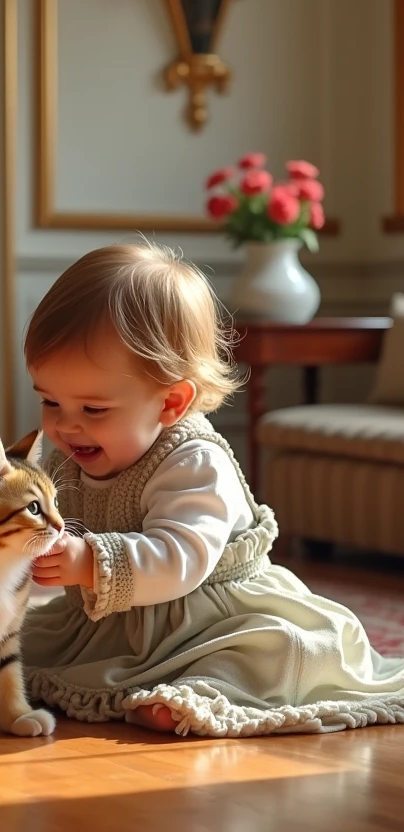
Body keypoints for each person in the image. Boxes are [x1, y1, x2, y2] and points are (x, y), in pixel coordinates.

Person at [22, 240, 404, 736]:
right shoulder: (68, 460)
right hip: (116, 622)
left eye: (93, 409)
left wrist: (89, 561)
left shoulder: (194, 461)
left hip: (210, 618)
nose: (66, 427)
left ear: (171, 402)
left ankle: (200, 694)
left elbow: (182, 556)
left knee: (281, 649)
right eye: (50, 402)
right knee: (9, 645)